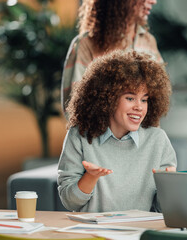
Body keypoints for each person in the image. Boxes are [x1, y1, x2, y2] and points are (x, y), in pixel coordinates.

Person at [57, 50, 176, 212]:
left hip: (139, 234)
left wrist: (169, 188)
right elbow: (70, 202)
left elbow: (164, 211)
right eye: (130, 98)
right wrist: (90, 177)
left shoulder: (158, 140)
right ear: (108, 98)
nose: (139, 107)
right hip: (93, 234)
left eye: (144, 99)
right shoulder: (79, 136)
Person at [61, 0, 162, 113]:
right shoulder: (87, 44)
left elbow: (159, 101)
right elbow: (73, 108)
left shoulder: (149, 42)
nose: (153, 1)